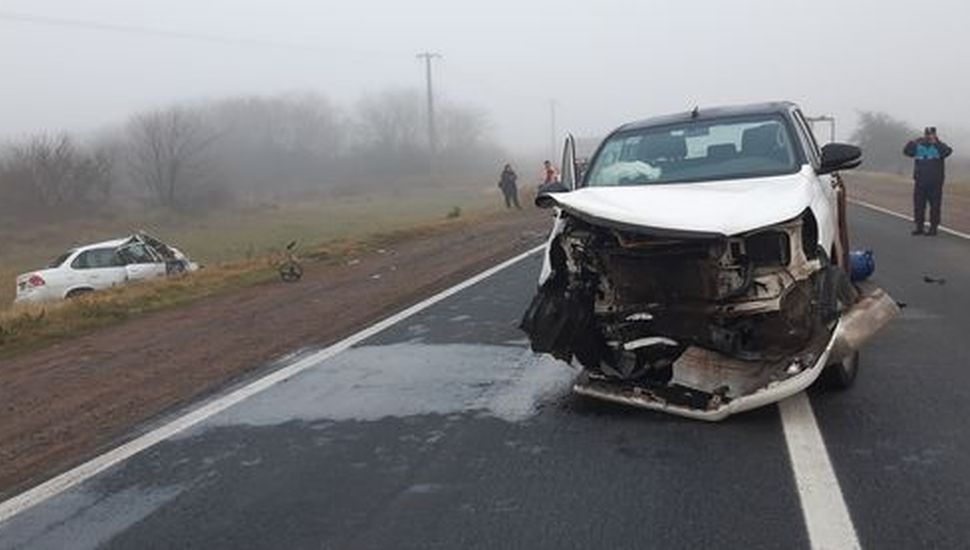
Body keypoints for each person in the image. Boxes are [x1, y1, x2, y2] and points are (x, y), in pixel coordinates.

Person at [904, 127, 953, 236]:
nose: (929, 137)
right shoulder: (918, 145)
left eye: (931, 134)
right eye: (927, 134)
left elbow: (948, 152)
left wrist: (936, 143)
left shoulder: (940, 146)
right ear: (924, 134)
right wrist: (912, 142)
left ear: (935, 135)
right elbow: (906, 152)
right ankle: (919, 227)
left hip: (935, 182)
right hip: (920, 181)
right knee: (919, 205)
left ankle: (933, 228)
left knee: (935, 206)